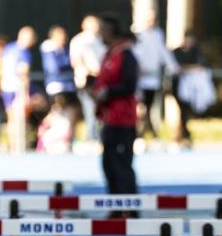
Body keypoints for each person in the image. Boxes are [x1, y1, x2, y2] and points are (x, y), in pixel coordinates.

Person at [91, 13, 139, 196]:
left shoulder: (126, 55)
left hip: (123, 119)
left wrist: (107, 92)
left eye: (102, 30)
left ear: (111, 32)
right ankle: (116, 207)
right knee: (108, 164)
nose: (99, 35)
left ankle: (129, 208)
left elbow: (129, 86)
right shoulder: (108, 55)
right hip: (109, 117)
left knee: (121, 165)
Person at [132, 13, 178, 141]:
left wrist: (172, 66)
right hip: (140, 77)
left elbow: (163, 51)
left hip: (153, 77)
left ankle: (147, 130)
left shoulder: (158, 34)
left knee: (149, 105)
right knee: (140, 105)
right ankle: (141, 130)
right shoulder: (138, 33)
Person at [173, 32, 214, 147]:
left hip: (191, 88)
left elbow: (201, 65)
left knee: (186, 112)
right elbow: (177, 67)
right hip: (178, 86)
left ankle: (183, 134)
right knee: (182, 110)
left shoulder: (195, 52)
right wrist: (191, 68)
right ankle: (183, 134)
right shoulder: (177, 52)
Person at [69, 14, 105, 142]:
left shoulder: (101, 40)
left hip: (102, 79)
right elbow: (76, 61)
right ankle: (92, 138)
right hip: (87, 79)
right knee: (90, 110)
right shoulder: (79, 41)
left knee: (102, 111)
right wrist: (90, 70)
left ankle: (101, 138)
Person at [41, 25, 77, 150]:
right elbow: (54, 68)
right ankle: (46, 136)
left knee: (70, 113)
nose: (63, 38)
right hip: (56, 87)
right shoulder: (49, 50)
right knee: (56, 112)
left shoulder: (65, 50)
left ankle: (66, 140)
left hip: (69, 87)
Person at [1, 26, 35, 153]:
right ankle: (18, 146)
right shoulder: (24, 52)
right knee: (18, 117)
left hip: (5, 86)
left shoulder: (9, 48)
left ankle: (12, 145)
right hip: (16, 88)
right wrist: (25, 93)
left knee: (11, 118)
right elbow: (23, 74)